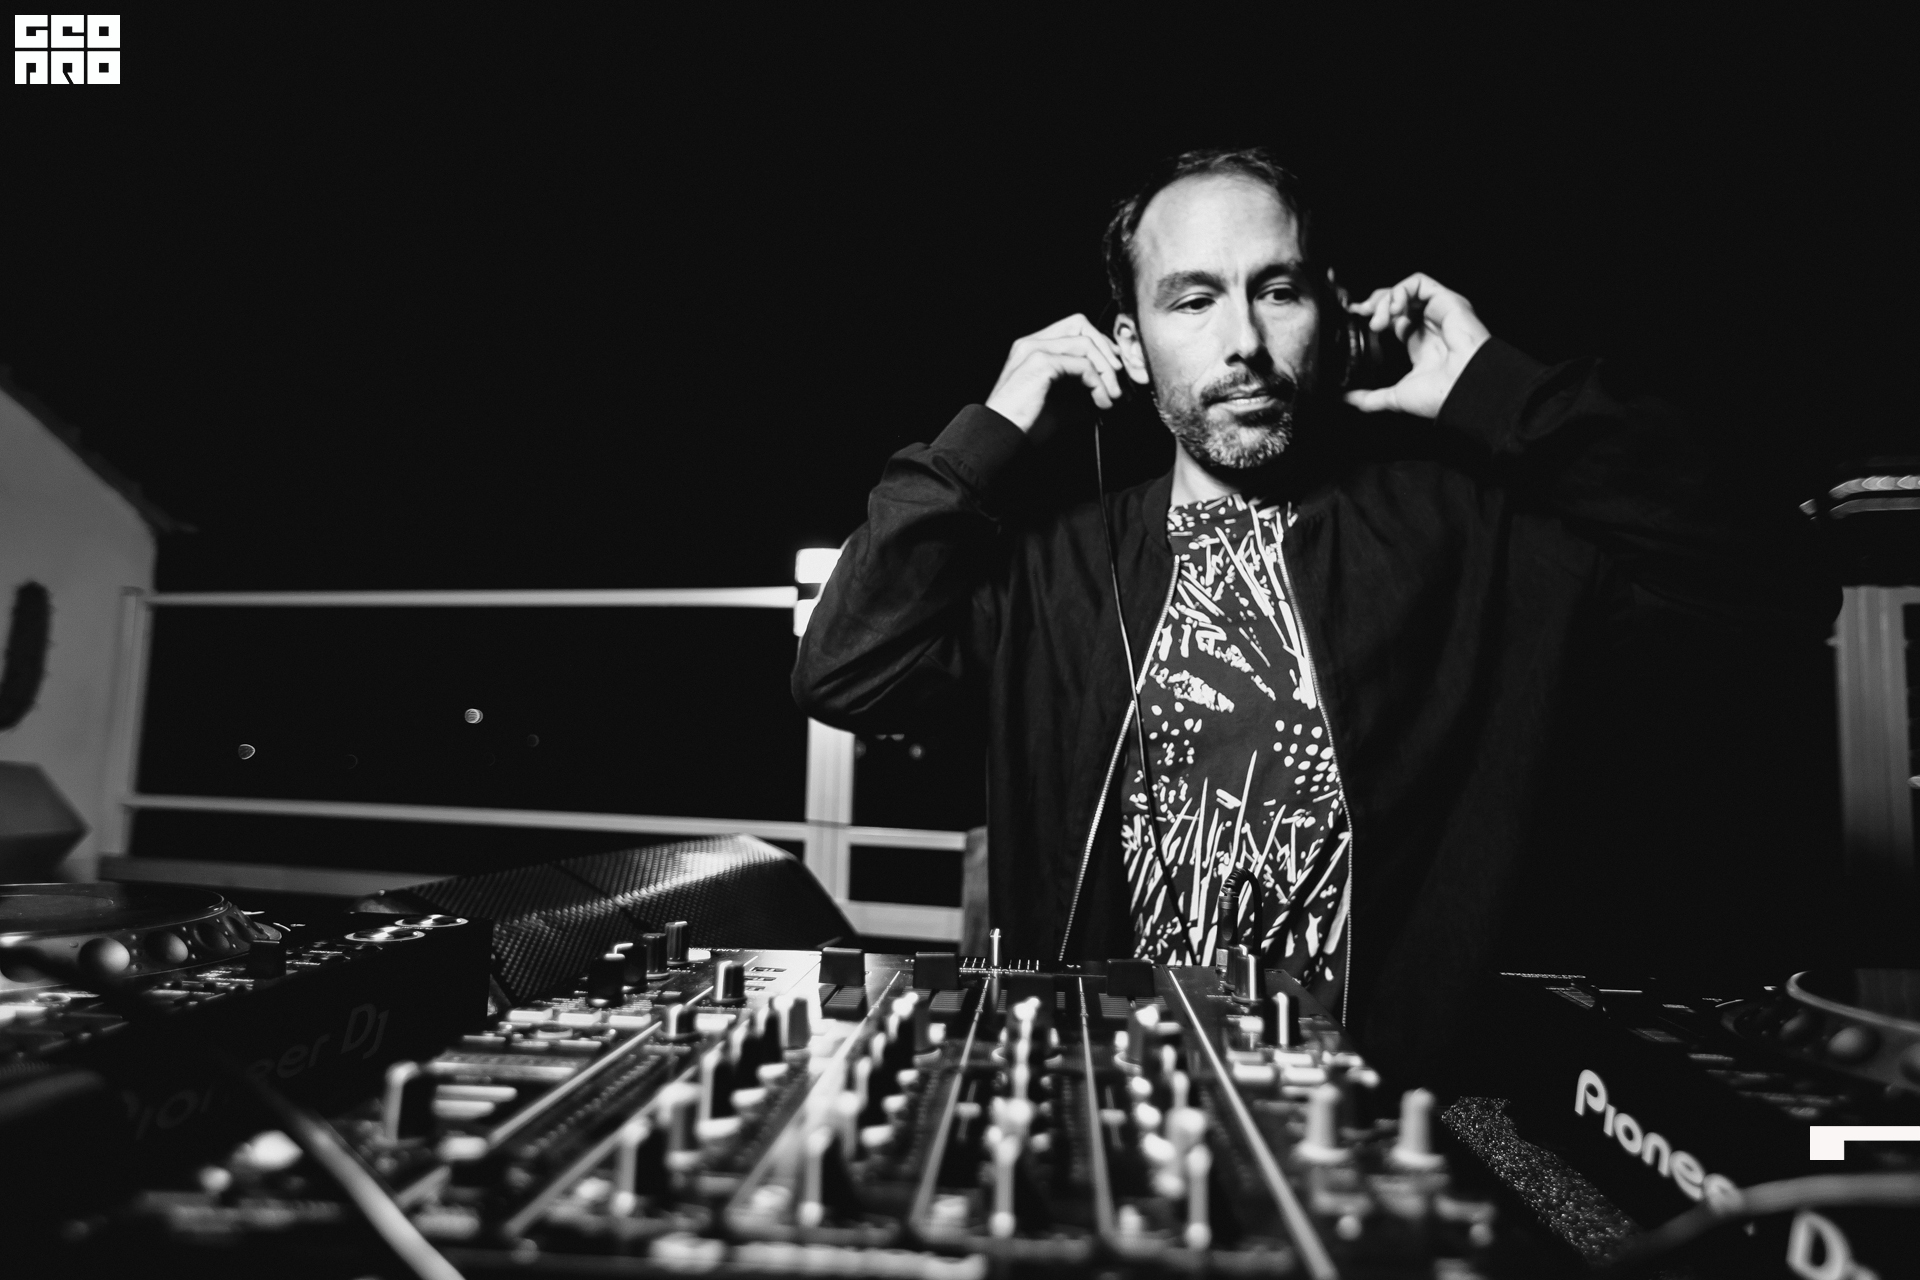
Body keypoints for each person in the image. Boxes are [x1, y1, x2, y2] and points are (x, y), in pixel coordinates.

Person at [792, 147, 1831, 1082]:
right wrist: (990, 429)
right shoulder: (1058, 568)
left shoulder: (1455, 539)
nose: (1243, 341)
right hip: (1107, 1106)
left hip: (1379, 1130)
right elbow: (843, 667)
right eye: (1193, 300)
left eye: (1277, 291)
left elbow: (1770, 583)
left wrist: (1499, 392)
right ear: (1131, 345)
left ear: (1330, 316)